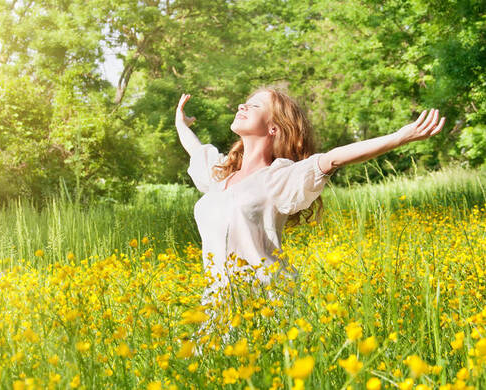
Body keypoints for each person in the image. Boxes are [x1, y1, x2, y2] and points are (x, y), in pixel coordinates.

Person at [175, 86, 446, 337]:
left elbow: (333, 158)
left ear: (273, 128)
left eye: (254, 106)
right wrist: (180, 122)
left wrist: (399, 137)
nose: (242, 106)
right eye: (244, 103)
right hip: (217, 305)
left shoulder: (278, 178)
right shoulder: (220, 176)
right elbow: (196, 150)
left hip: (266, 304)